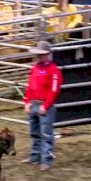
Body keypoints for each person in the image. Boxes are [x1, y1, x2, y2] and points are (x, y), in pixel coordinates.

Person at [22, 41, 63, 171]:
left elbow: (54, 90)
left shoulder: (54, 71)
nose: (38, 57)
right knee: (35, 132)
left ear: (47, 54)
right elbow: (30, 86)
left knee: (46, 134)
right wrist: (27, 101)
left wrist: (46, 105)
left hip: (44, 105)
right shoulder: (36, 68)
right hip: (34, 103)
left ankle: (46, 160)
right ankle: (35, 157)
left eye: (40, 54)